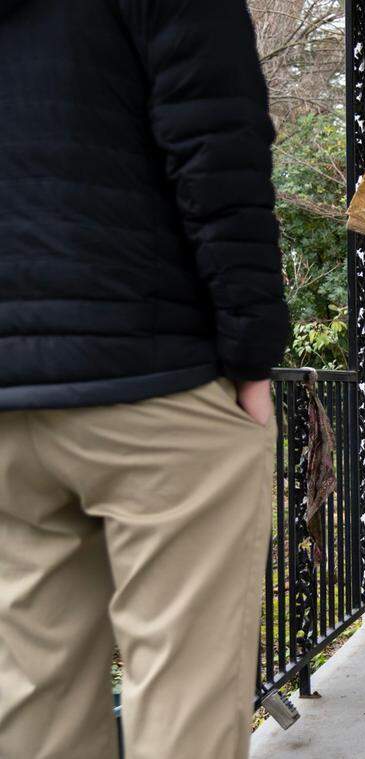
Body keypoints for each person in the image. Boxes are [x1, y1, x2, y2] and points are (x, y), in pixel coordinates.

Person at [0, 1, 289, 756]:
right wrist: (251, 355)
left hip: (7, 402)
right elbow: (216, 148)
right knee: (183, 703)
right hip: (156, 380)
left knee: (34, 706)